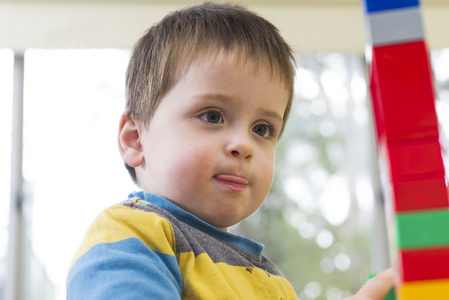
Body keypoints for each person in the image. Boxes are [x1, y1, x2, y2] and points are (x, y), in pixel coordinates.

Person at [66, 3, 394, 299]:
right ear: (136, 140)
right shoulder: (128, 236)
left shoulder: (271, 280)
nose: (244, 145)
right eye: (213, 116)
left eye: (262, 129)